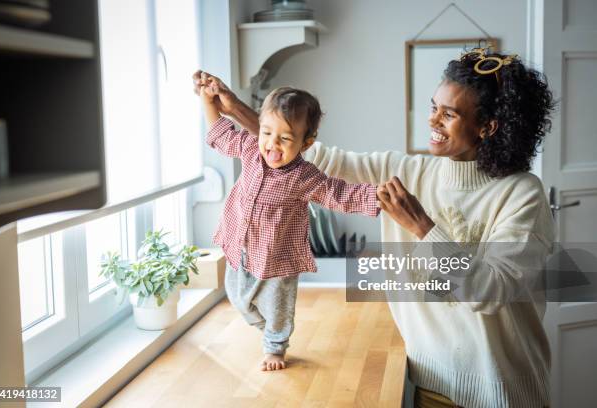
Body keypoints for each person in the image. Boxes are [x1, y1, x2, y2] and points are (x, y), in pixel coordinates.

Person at [193, 46, 556, 407]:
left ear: (487, 127)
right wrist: (234, 106)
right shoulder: (411, 172)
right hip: (428, 384)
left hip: (502, 393)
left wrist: (423, 227)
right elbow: (303, 158)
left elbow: (489, 291)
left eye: (448, 114)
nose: (432, 121)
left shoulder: (522, 193)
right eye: (433, 108)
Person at [200, 79, 381, 371]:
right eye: (268, 133)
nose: (272, 144)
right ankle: (268, 330)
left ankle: (275, 346)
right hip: (241, 244)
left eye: (285, 139)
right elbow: (221, 133)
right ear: (259, 128)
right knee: (237, 299)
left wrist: (377, 196)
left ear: (305, 143)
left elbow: (338, 194)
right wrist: (208, 101)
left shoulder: (304, 176)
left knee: (278, 308)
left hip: (279, 256)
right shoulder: (250, 148)